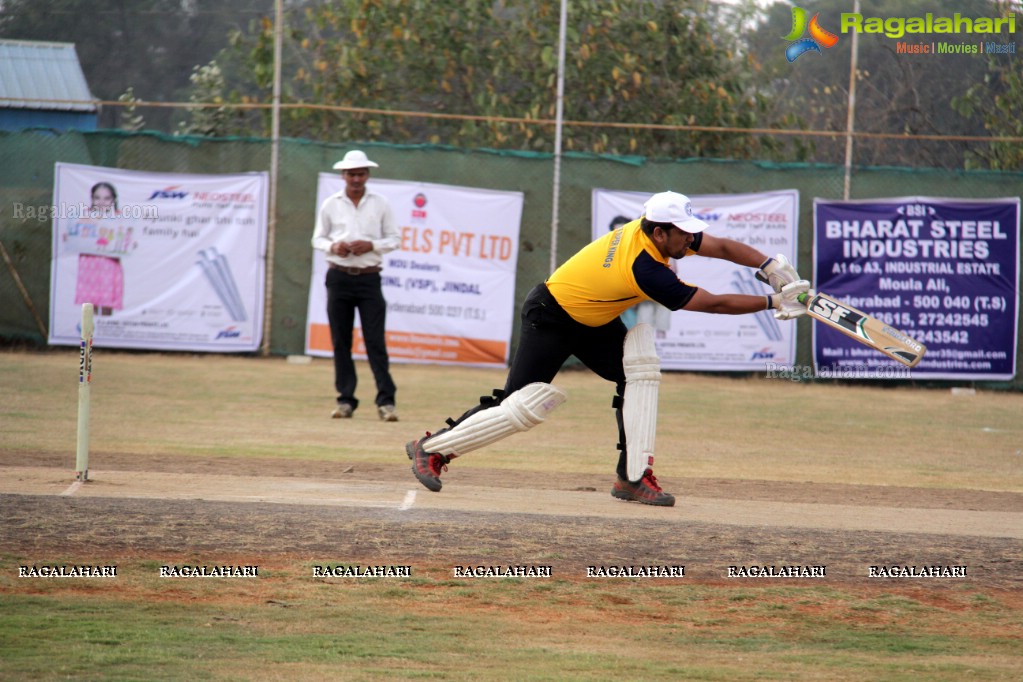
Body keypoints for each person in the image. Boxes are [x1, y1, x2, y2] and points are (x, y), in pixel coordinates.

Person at [405, 191, 809, 506]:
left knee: (638, 377)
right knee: (516, 402)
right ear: (658, 233)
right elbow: (713, 303)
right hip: (552, 315)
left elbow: (720, 246)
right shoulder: (645, 267)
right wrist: (774, 303)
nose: (690, 239)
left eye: (690, 232)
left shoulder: (661, 232)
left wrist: (769, 267)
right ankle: (432, 448)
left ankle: (632, 477)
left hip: (593, 321)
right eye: (683, 233)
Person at [311, 150, 401, 422]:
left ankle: (386, 402)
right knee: (341, 341)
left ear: (367, 175)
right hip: (338, 277)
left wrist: (371, 244)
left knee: (375, 341)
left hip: (369, 277)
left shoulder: (380, 203)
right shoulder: (331, 203)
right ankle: (345, 400)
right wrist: (333, 246)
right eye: (351, 174)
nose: (356, 179)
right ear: (343, 175)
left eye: (361, 173)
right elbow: (318, 239)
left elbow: (394, 238)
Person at [76, 182, 123, 316]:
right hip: (89, 266)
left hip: (109, 265)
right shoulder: (84, 216)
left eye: (106, 198)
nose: (101, 202)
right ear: (92, 199)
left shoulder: (120, 218)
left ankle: (105, 335)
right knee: (89, 306)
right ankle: (87, 336)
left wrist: (131, 244)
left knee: (107, 304)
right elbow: (75, 237)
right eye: (97, 198)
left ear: (113, 200)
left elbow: (127, 240)